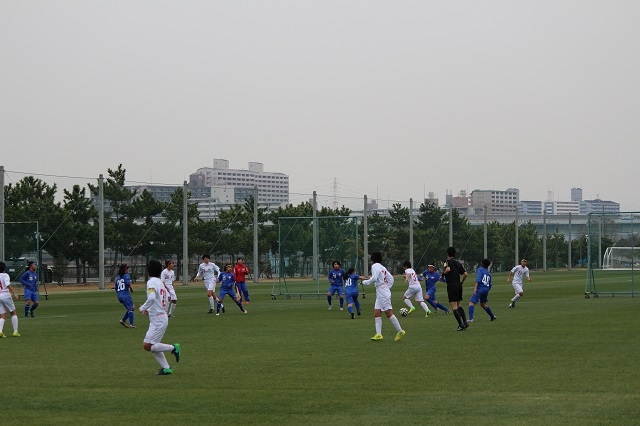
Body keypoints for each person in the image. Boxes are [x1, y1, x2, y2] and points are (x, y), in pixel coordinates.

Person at [139, 259, 181, 375]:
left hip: (158, 319)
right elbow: (167, 298)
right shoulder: (160, 283)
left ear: (148, 271)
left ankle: (173, 348)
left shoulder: (151, 282)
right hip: (160, 317)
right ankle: (167, 368)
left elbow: (152, 297)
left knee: (148, 345)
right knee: (154, 345)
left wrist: (143, 308)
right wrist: (155, 310)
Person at [362, 252, 405, 342]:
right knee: (377, 313)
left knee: (388, 313)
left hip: (382, 292)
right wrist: (386, 287)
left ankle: (400, 331)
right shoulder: (382, 267)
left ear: (372, 259)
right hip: (382, 292)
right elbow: (391, 279)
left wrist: (364, 282)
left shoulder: (375, 266)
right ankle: (378, 334)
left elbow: (374, 278)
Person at [442, 247, 469, 331]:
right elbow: (465, 274)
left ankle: (461, 325)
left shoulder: (446, 262)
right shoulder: (458, 263)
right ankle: (465, 322)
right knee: (458, 304)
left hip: (451, 284)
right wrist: (461, 282)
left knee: (454, 306)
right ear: (455, 254)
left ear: (447, 254)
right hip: (458, 284)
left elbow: (448, 269)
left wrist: (442, 274)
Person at [0, 261, 20, 337]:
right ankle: (15, 332)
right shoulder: (5, 275)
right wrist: (14, 293)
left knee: (2, 315)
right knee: (13, 312)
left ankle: (0, 331)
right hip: (5, 295)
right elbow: (7, 284)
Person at [115, 263, 135, 328]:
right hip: (125, 294)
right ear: (125, 269)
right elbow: (127, 283)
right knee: (131, 309)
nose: (128, 270)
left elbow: (116, 288)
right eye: (127, 268)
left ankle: (123, 320)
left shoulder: (117, 278)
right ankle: (131, 324)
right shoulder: (126, 275)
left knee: (132, 307)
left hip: (119, 295)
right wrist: (131, 288)